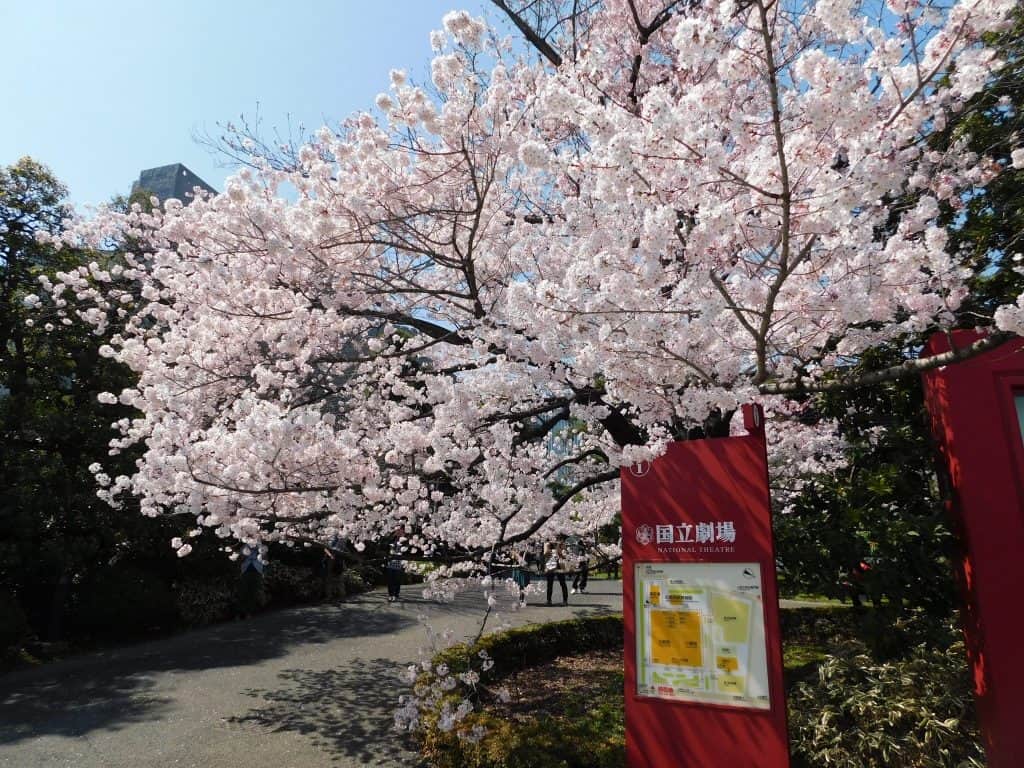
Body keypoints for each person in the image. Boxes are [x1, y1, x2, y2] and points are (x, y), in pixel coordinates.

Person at [544, 539, 569, 606]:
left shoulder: (560, 543)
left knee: (562, 583)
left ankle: (565, 601)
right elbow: (545, 554)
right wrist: (549, 547)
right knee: (549, 584)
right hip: (550, 565)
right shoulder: (548, 543)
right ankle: (549, 600)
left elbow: (564, 556)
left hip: (559, 565)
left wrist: (557, 547)